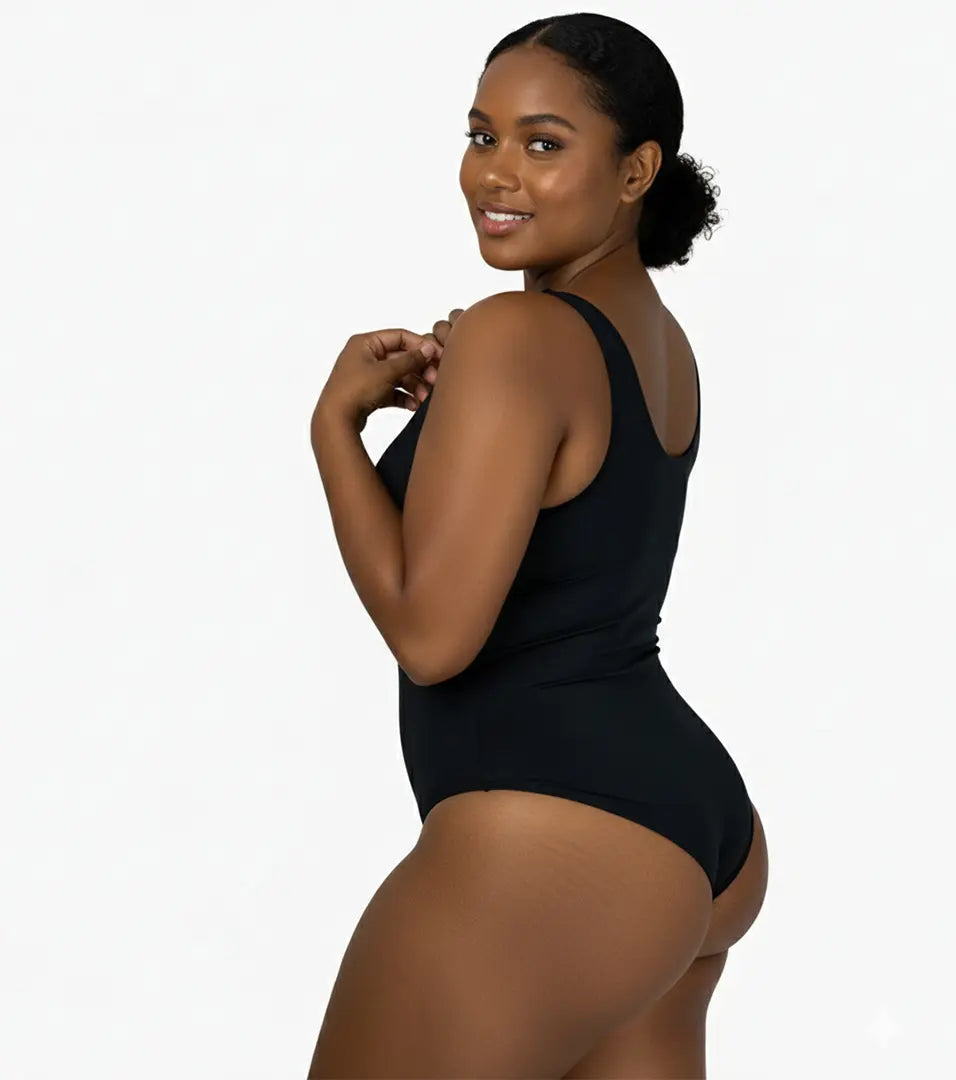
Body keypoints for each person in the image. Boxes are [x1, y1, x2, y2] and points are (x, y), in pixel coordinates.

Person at [307, 13, 768, 1078]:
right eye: (482, 136)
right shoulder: (655, 339)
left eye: (544, 143)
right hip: (689, 836)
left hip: (558, 836)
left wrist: (334, 430)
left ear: (635, 171)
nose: (495, 173)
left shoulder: (519, 335)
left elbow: (433, 639)